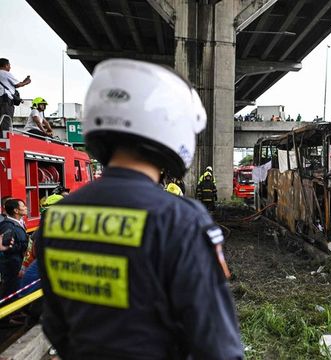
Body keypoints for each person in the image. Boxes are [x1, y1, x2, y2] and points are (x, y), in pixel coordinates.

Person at [35, 59, 243, 359]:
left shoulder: (55, 217)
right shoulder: (180, 219)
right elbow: (218, 345)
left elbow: (55, 325)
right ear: (171, 125)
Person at [0, 199, 28, 297]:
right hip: (11, 265)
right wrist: (26, 246)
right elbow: (5, 246)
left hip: (18, 261)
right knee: (10, 289)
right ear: (16, 210)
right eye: (23, 206)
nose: (26, 208)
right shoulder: (7, 226)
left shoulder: (19, 222)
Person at [0, 58, 31, 131]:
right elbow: (17, 84)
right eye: (9, 65)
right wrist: (27, 81)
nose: (10, 67)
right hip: (5, 101)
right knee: (6, 120)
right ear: (6, 65)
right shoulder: (4, 73)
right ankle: (4, 138)